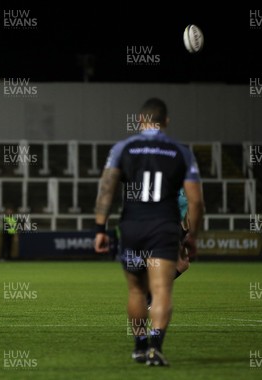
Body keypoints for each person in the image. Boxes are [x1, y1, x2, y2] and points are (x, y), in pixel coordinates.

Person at [94, 98, 204, 366]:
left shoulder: (123, 147)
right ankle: (156, 347)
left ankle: (139, 345)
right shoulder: (181, 151)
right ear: (166, 122)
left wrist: (99, 227)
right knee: (161, 288)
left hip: (132, 226)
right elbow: (196, 201)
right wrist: (192, 236)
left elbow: (107, 187)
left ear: (140, 120)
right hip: (164, 227)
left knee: (136, 292)